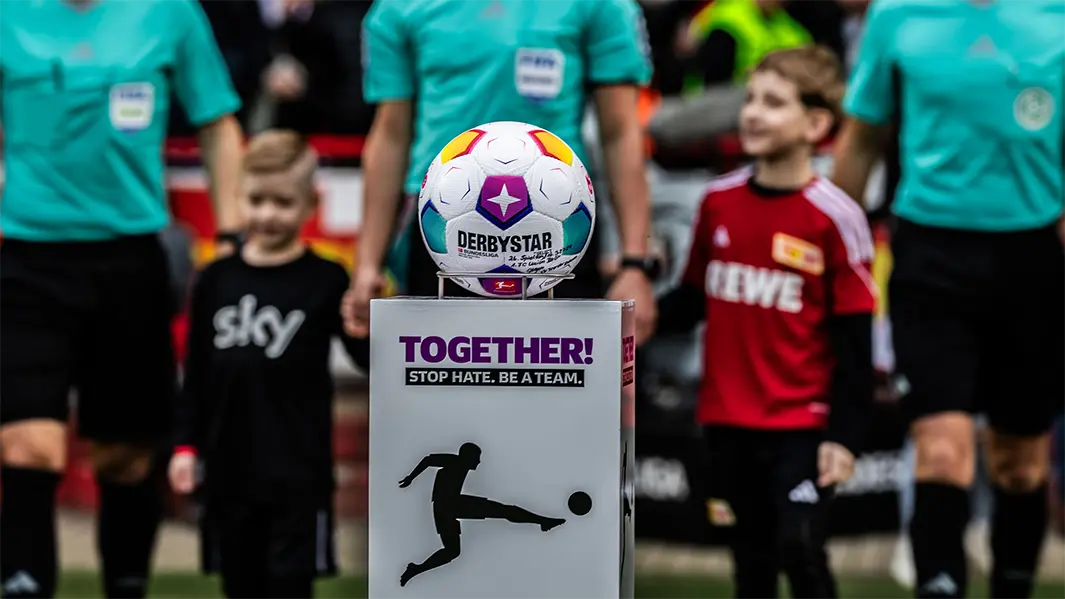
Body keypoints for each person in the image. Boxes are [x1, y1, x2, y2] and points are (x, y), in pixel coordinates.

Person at [0, 1, 244, 597]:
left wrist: (234, 234)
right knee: (29, 445)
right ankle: (24, 585)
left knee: (126, 459)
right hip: (26, 258)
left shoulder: (170, 13)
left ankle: (126, 586)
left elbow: (216, 121)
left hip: (131, 258)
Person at [833, 1, 1065, 597]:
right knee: (941, 452)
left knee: (1021, 464)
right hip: (929, 258)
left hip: (1034, 261)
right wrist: (827, 251)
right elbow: (862, 141)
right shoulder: (896, 16)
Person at [656, 46, 876, 599]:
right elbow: (692, 299)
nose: (753, 113)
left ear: (817, 124)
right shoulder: (717, 202)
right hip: (726, 421)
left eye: (774, 104)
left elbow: (855, 340)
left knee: (800, 548)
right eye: (751, 100)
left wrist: (845, 438)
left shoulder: (837, 216)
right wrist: (631, 318)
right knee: (750, 563)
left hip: (802, 425)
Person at [345, 0, 658, 345]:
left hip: (561, 222)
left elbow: (621, 133)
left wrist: (634, 264)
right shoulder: (398, 8)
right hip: (439, 225)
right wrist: (367, 264)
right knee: (444, 384)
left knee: (557, 384)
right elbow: (390, 135)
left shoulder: (602, 5)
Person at [167, 130, 370, 599]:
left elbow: (362, 358)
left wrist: (365, 318)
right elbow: (196, 374)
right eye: (256, 200)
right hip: (227, 471)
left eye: (283, 202)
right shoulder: (217, 279)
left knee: (289, 586)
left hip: (299, 473)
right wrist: (184, 447)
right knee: (239, 585)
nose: (268, 215)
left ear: (310, 203)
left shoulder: (324, 278)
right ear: (239, 198)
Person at [396, 442, 566, 587]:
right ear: (469, 456)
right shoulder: (455, 461)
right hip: (451, 504)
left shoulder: (459, 464)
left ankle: (416, 569)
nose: (478, 461)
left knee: (453, 551)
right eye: (477, 457)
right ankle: (542, 521)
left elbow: (428, 461)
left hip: (445, 508)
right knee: (504, 511)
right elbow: (428, 460)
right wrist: (411, 477)